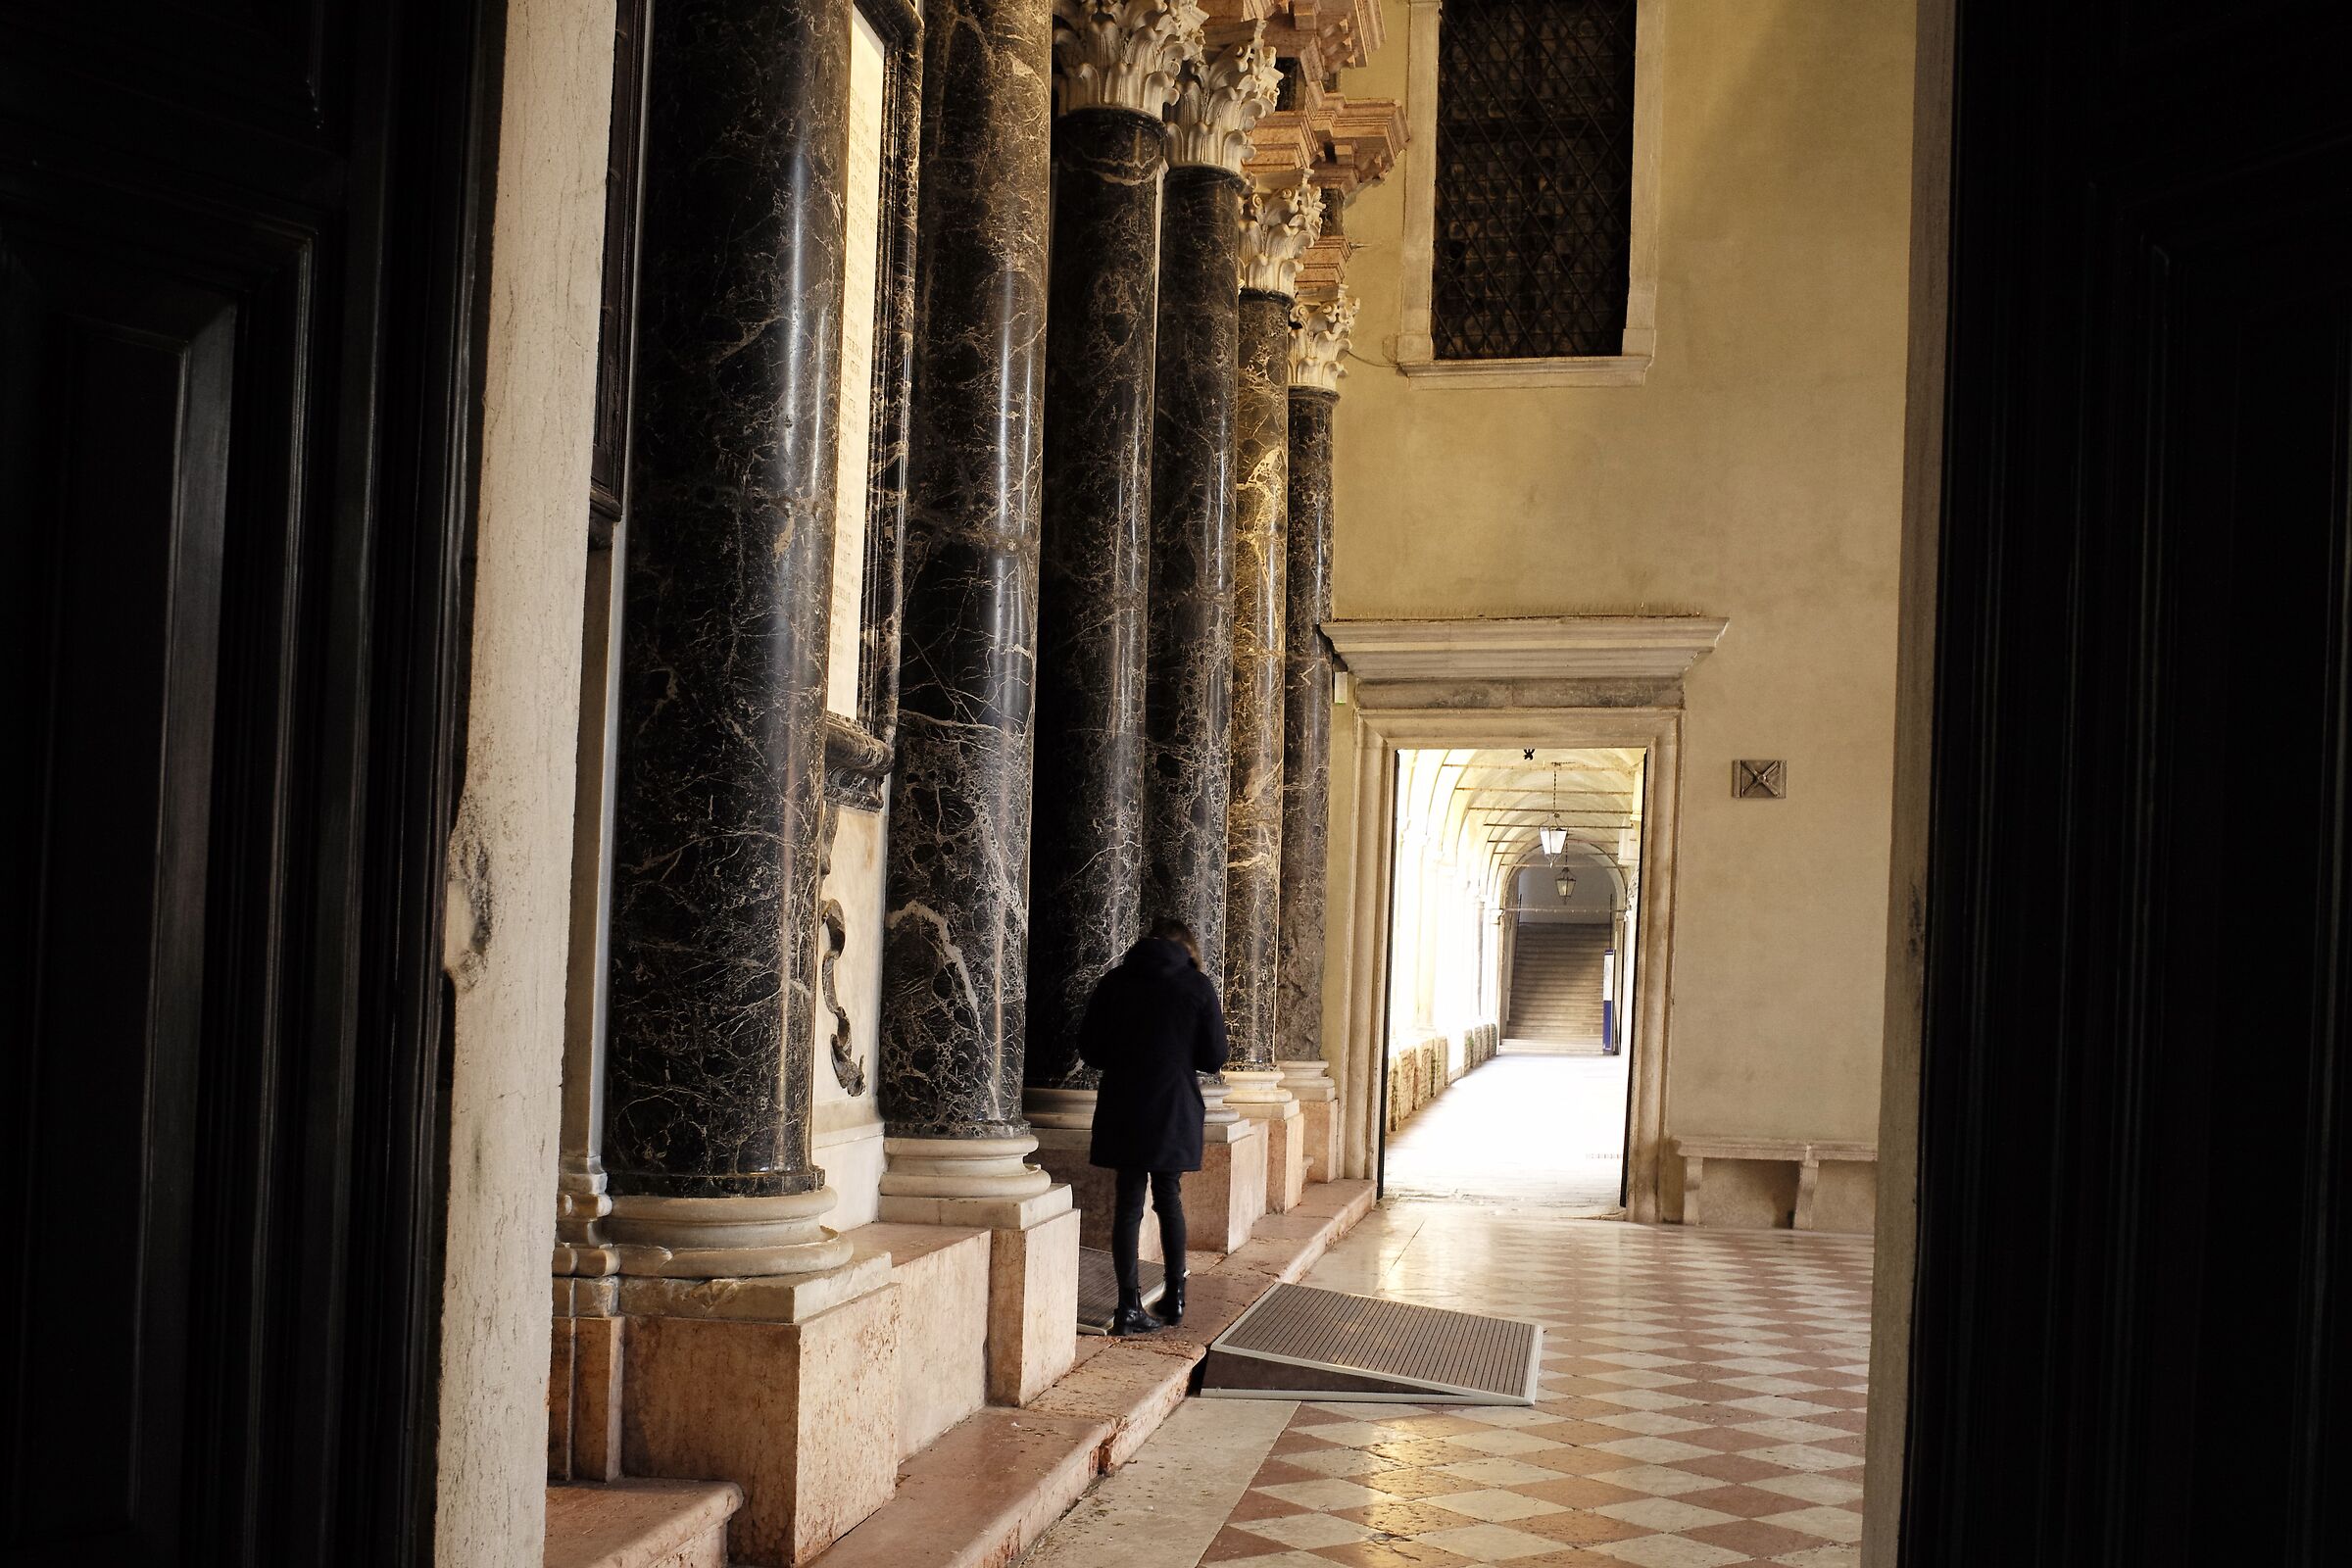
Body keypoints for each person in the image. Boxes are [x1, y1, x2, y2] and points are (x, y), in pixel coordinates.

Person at [1077, 916, 1229, 1335]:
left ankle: (1128, 1306)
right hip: (1173, 1106)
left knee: (1128, 1204)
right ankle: (1175, 1294)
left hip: (1124, 1104)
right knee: (1169, 1196)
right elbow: (1213, 1058)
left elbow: (1090, 1049)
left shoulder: (1114, 982)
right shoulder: (1197, 986)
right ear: (1187, 949)